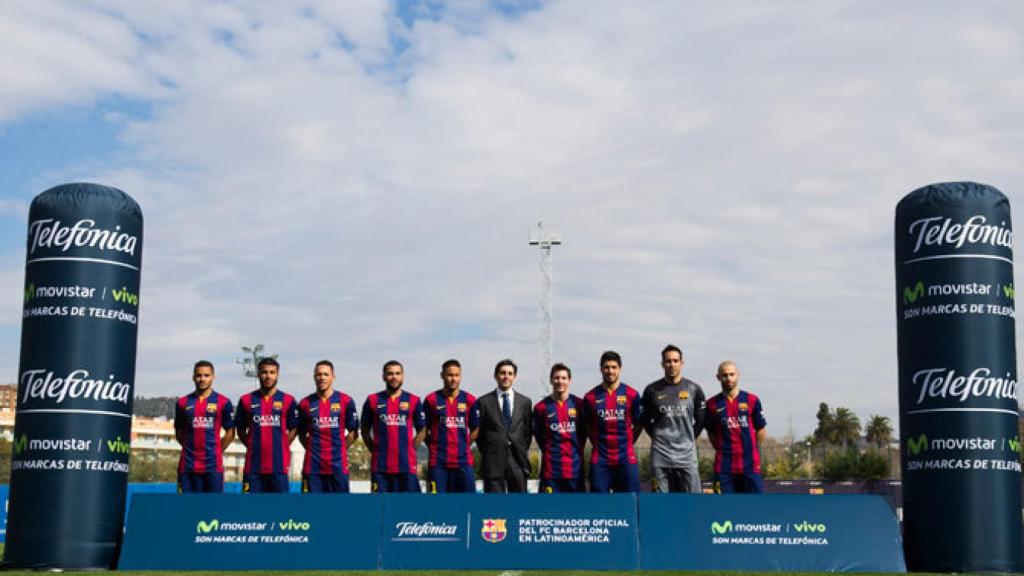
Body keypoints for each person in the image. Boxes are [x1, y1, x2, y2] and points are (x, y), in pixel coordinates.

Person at [641, 345, 706, 493]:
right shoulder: (651, 390)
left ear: (682, 363)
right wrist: (658, 438)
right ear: (662, 364)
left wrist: (689, 438)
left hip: (687, 454)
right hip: (660, 454)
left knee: (693, 499)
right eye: (668, 361)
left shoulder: (694, 388)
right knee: (660, 501)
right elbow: (645, 420)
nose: (672, 364)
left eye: (676, 361)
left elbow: (701, 419)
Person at [235, 357, 299, 493]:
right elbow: (240, 429)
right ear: (258, 374)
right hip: (253, 468)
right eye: (264, 372)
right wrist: (252, 444)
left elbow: (294, 428)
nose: (268, 376)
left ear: (277, 374)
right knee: (250, 509)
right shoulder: (246, 400)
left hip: (279, 467)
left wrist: (282, 444)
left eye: (272, 372)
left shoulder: (288, 400)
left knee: (280, 510)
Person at [582, 351, 643, 493]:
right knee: (599, 504)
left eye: (614, 367)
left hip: (626, 457)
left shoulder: (632, 394)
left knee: (630, 500)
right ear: (601, 369)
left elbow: (639, 424)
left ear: (620, 369)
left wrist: (628, 442)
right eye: (606, 367)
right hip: (600, 458)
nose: (610, 371)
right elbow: (587, 425)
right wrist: (597, 443)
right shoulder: (590, 397)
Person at [361, 360, 426, 492]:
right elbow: (364, 430)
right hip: (380, 468)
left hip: (406, 466)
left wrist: (410, 448)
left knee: (410, 508)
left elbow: (422, 430)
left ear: (403, 376)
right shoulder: (372, 400)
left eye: (398, 373)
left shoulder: (414, 400)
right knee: (380, 509)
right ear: (383, 376)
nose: (394, 377)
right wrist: (376, 449)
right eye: (390, 373)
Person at [704, 360, 767, 493]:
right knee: (723, 508)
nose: (728, 378)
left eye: (732, 374)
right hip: (724, 467)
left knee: (754, 507)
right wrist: (723, 449)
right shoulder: (711, 404)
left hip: (750, 466)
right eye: (725, 375)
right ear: (718, 377)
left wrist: (751, 448)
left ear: (738, 375)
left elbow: (760, 430)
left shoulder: (752, 400)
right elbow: (712, 434)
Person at [297, 360, 360, 493]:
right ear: (314, 376)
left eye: (326, 374)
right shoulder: (304, 403)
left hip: (338, 467)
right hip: (312, 468)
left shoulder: (346, 401)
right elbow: (301, 435)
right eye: (319, 374)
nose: (322, 378)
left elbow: (354, 433)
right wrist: (314, 450)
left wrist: (340, 448)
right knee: (310, 509)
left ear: (333, 377)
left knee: (340, 509)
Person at [174, 360, 235, 493]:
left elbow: (230, 433)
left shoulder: (224, 402)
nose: (202, 379)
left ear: (213, 377)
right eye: (199, 375)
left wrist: (217, 450)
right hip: (187, 467)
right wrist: (190, 449)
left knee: (213, 510)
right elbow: (178, 432)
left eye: (206, 375)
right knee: (184, 508)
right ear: (193, 377)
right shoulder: (182, 403)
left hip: (213, 467)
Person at [423, 359, 481, 493]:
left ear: (460, 376)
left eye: (456, 375)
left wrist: (465, 444)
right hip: (438, 463)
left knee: (467, 505)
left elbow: (476, 429)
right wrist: (433, 445)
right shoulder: (431, 399)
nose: (453, 379)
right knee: (437, 505)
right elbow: (424, 430)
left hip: (464, 462)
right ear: (442, 375)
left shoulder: (470, 400)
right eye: (450, 375)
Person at [476, 359, 533, 493]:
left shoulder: (525, 402)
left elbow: (528, 432)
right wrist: (489, 450)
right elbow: (480, 434)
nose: (506, 376)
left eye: (510, 373)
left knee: (519, 503)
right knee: (495, 506)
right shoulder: (483, 402)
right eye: (502, 373)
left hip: (517, 459)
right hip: (493, 459)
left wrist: (521, 448)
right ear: (496, 376)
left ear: (514, 377)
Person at [533, 363, 585, 493]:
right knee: (549, 511)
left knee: (576, 511)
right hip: (551, 471)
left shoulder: (580, 404)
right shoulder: (540, 407)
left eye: (563, 378)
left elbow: (584, 433)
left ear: (569, 381)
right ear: (551, 380)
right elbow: (540, 437)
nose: (560, 381)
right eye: (556, 378)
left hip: (575, 470)